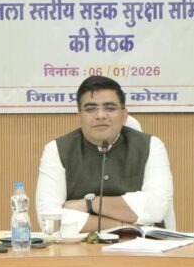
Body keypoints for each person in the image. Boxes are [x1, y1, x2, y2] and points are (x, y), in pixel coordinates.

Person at [35, 76, 173, 233]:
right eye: (90, 109)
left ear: (124, 115)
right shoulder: (56, 150)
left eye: (110, 108)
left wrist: (90, 204)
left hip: (145, 246)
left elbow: (156, 208)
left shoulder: (151, 146)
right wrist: (124, 226)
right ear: (79, 116)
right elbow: (49, 221)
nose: (100, 115)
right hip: (79, 247)